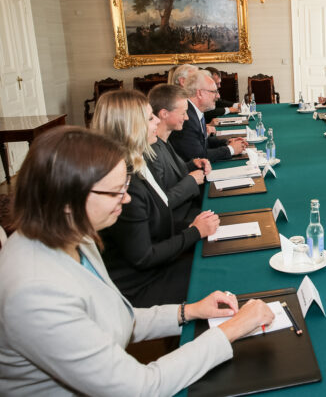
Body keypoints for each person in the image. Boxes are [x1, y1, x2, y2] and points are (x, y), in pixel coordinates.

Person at [0, 126, 274, 396]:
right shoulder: (35, 292)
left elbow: (118, 317)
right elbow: (140, 387)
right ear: (67, 199)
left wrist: (188, 311)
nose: (127, 198)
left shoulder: (73, 233)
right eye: (116, 191)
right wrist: (232, 330)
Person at [92, 90, 219, 307]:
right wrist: (194, 231)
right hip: (139, 284)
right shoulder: (126, 182)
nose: (156, 122)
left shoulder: (140, 160)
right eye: (150, 118)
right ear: (132, 126)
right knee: (214, 274)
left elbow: (158, 217)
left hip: (157, 265)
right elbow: (144, 257)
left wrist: (195, 226)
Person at [148, 84, 211, 227]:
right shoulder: (152, 150)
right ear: (164, 114)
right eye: (183, 113)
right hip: (177, 222)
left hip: (188, 209)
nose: (187, 118)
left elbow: (171, 174)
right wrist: (191, 180)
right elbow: (160, 202)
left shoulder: (164, 139)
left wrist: (192, 164)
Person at [169, 70, 247, 163]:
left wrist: (227, 142)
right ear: (200, 93)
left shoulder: (195, 111)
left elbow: (203, 142)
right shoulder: (186, 118)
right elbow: (197, 156)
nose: (218, 96)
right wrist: (231, 150)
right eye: (214, 91)